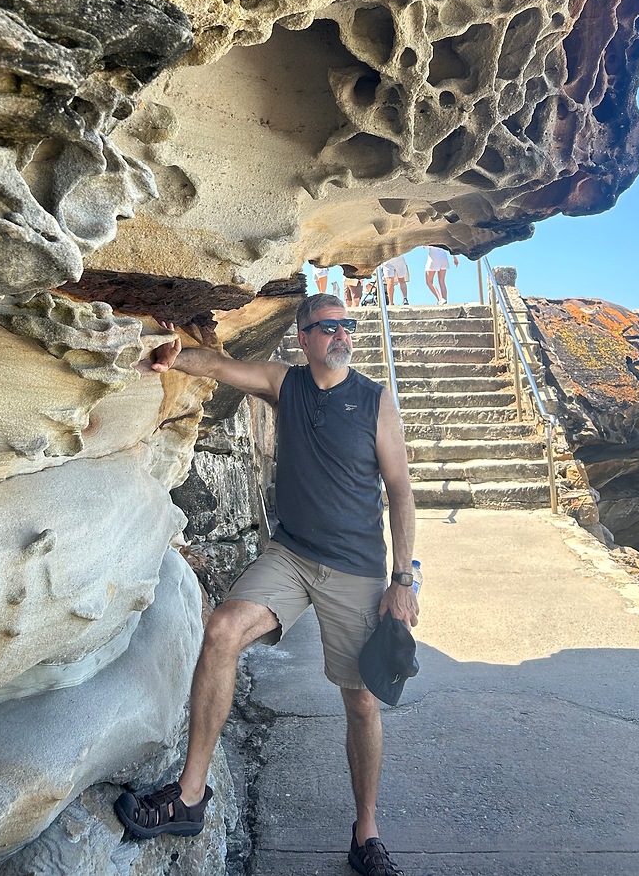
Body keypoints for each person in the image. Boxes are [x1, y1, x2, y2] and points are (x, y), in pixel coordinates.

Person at [116, 293, 419, 876]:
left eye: (346, 326)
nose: (340, 335)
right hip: (292, 555)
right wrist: (176, 356)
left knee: (360, 702)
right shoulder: (287, 383)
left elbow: (401, 491)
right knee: (224, 629)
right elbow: (222, 366)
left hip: (356, 569)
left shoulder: (375, 401)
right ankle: (190, 796)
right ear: (302, 337)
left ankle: (366, 835)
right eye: (327, 327)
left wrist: (402, 580)